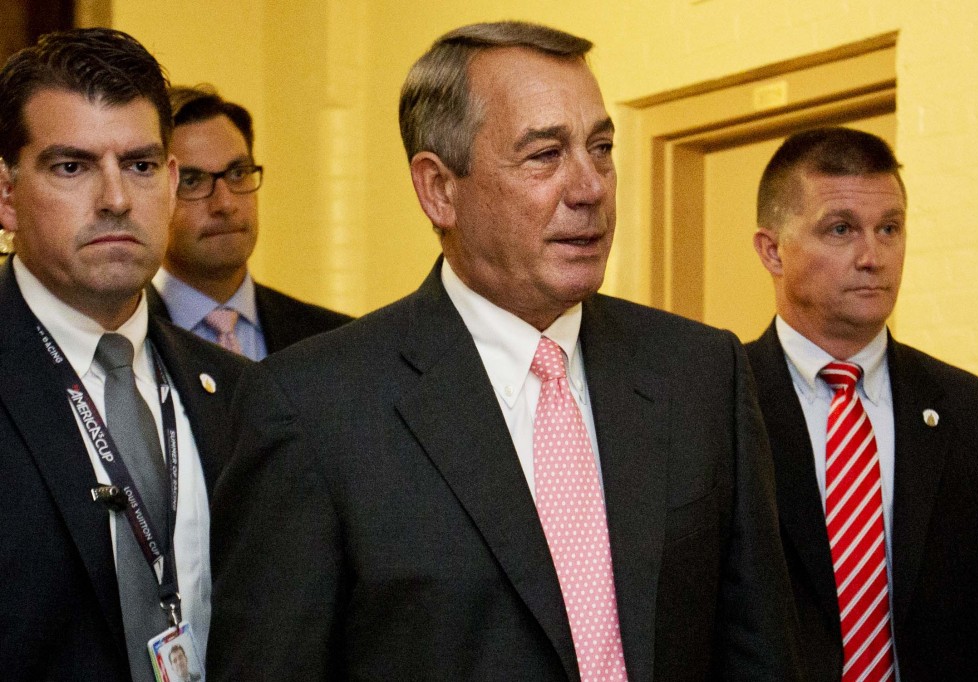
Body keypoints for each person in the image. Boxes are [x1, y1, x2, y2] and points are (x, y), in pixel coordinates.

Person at [207, 21, 800, 681]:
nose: (591, 187)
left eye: (601, 148)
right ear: (439, 189)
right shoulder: (316, 410)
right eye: (544, 154)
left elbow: (758, 654)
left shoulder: (699, 373)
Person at [0, 28, 248, 681]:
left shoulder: (239, 391)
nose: (115, 199)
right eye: (71, 166)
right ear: (6, 194)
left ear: (169, 181)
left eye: (139, 166)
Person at [747, 126, 978, 680]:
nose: (873, 256)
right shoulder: (716, 406)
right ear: (772, 250)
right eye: (842, 229)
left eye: (890, 228)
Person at [148, 85, 352, 359]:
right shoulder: (119, 343)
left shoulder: (334, 341)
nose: (225, 204)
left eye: (238, 173)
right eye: (192, 182)